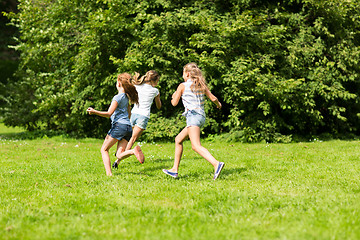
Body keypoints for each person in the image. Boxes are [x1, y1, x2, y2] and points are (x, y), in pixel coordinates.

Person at [162, 62, 225, 180]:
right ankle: (174, 170)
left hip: (193, 116)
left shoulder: (182, 86)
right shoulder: (201, 85)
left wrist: (175, 95)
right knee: (178, 139)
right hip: (201, 116)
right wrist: (219, 105)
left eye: (183, 73)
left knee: (195, 146)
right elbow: (213, 98)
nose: (182, 76)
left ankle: (216, 163)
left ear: (187, 73)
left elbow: (174, 103)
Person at [86, 73, 144, 176]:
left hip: (119, 127)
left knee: (104, 149)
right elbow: (129, 114)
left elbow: (109, 113)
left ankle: (109, 174)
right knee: (119, 154)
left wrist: (94, 111)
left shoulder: (117, 97)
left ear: (119, 83)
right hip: (128, 127)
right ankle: (133, 151)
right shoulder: (126, 97)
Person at [112, 70, 161, 169]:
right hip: (143, 116)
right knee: (132, 139)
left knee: (125, 136)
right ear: (155, 81)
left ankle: (119, 154)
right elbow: (159, 106)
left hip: (133, 113)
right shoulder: (155, 91)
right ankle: (118, 160)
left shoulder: (137, 86)